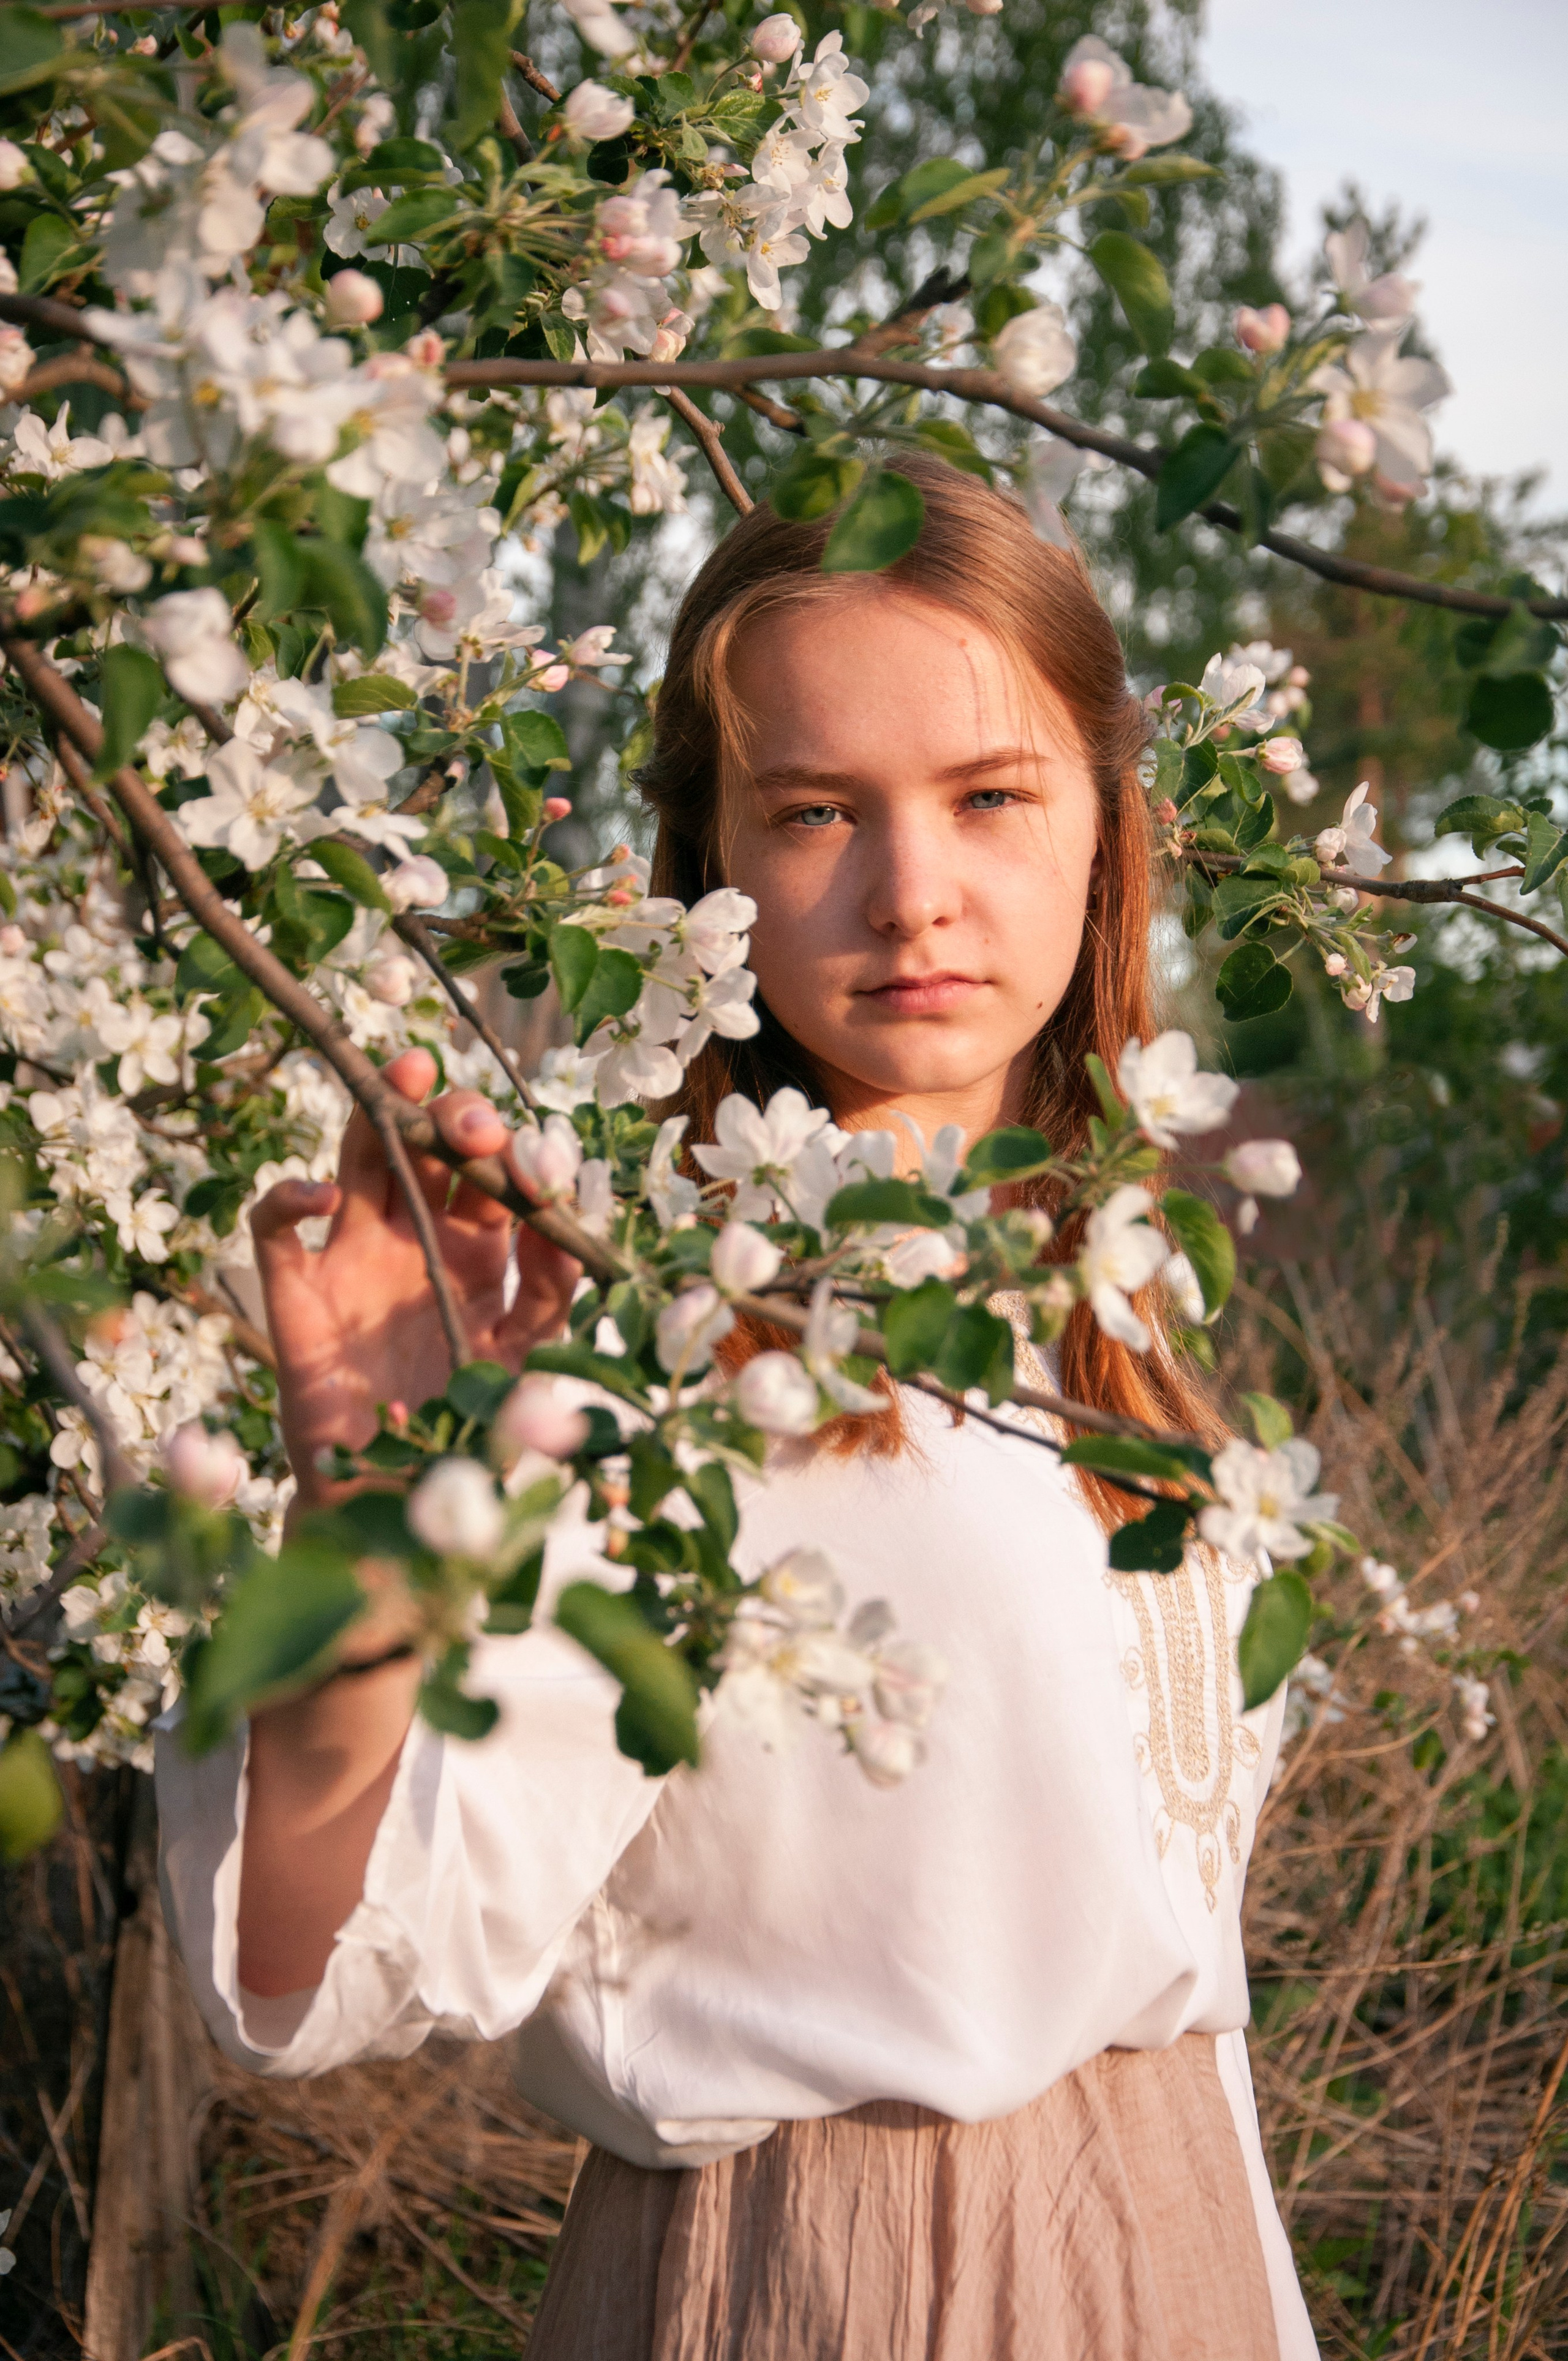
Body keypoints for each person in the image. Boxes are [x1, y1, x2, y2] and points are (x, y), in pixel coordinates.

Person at [156, 455, 1319, 2359]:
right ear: (711, 861)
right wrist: (368, 1534)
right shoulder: (665, 1351)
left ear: (1106, 824)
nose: (913, 893)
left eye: (991, 794)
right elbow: (307, 1975)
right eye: (817, 811)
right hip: (834, 2283)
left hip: (1185, 2251)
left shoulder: (1116, 1300)